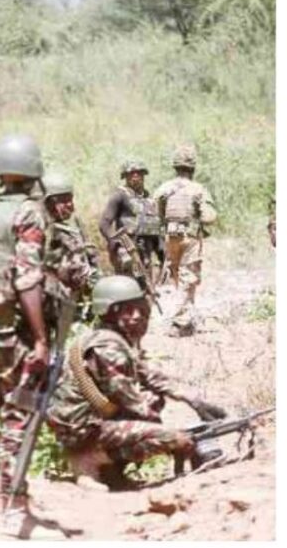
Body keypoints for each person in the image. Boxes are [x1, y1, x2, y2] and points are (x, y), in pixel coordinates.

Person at [0, 134, 62, 540]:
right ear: (33, 171)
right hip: (17, 328)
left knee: (9, 414)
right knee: (19, 416)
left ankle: (15, 501)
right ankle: (14, 513)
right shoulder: (27, 213)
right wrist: (40, 338)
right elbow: (28, 275)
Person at [47, 275, 226, 489]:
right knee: (175, 437)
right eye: (127, 311)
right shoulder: (108, 348)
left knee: (154, 408)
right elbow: (133, 403)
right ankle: (89, 463)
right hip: (84, 432)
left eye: (140, 309)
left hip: (86, 426)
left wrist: (192, 399)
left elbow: (148, 375)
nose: (137, 316)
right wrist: (176, 436)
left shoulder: (108, 338)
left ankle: (110, 472)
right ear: (109, 313)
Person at [154, 145, 217, 336]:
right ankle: (178, 321)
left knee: (177, 278)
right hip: (189, 238)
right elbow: (209, 217)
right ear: (192, 168)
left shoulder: (164, 188)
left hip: (170, 237)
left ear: (175, 167)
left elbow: (156, 211)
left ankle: (188, 316)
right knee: (188, 278)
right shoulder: (197, 189)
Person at [41, 172, 101, 318]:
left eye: (71, 199)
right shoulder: (50, 233)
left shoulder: (67, 229)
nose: (71, 206)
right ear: (49, 202)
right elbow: (79, 273)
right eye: (65, 201)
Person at [98, 160, 163, 292]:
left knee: (146, 290)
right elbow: (104, 223)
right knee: (127, 290)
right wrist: (115, 243)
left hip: (145, 254)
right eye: (131, 174)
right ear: (125, 177)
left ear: (144, 175)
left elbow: (155, 230)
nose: (135, 176)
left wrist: (162, 254)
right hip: (127, 253)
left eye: (138, 173)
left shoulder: (149, 199)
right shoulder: (120, 195)